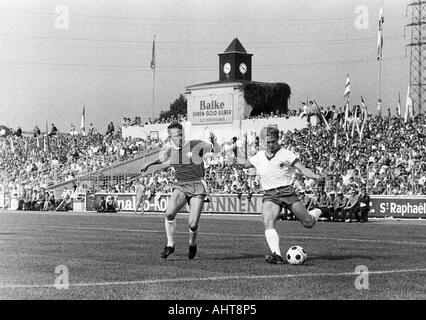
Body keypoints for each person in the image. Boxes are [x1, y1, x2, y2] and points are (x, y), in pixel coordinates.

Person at [237, 126, 323, 264]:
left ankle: (316, 212)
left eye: (273, 141)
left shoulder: (286, 154)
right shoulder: (259, 156)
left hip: (287, 192)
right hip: (270, 194)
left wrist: (315, 176)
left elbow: (302, 168)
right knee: (268, 222)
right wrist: (237, 155)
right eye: (268, 142)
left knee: (308, 222)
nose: (270, 145)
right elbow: (244, 164)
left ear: (278, 139)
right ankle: (277, 255)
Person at [140, 122, 222, 260]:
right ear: (170, 136)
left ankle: (192, 243)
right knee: (169, 213)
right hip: (181, 185)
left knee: (193, 224)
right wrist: (148, 164)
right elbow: (162, 160)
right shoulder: (171, 151)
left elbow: (216, 150)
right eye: (176, 135)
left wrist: (215, 142)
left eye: (181, 134)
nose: (179, 137)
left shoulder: (195, 144)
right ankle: (170, 245)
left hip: (197, 184)